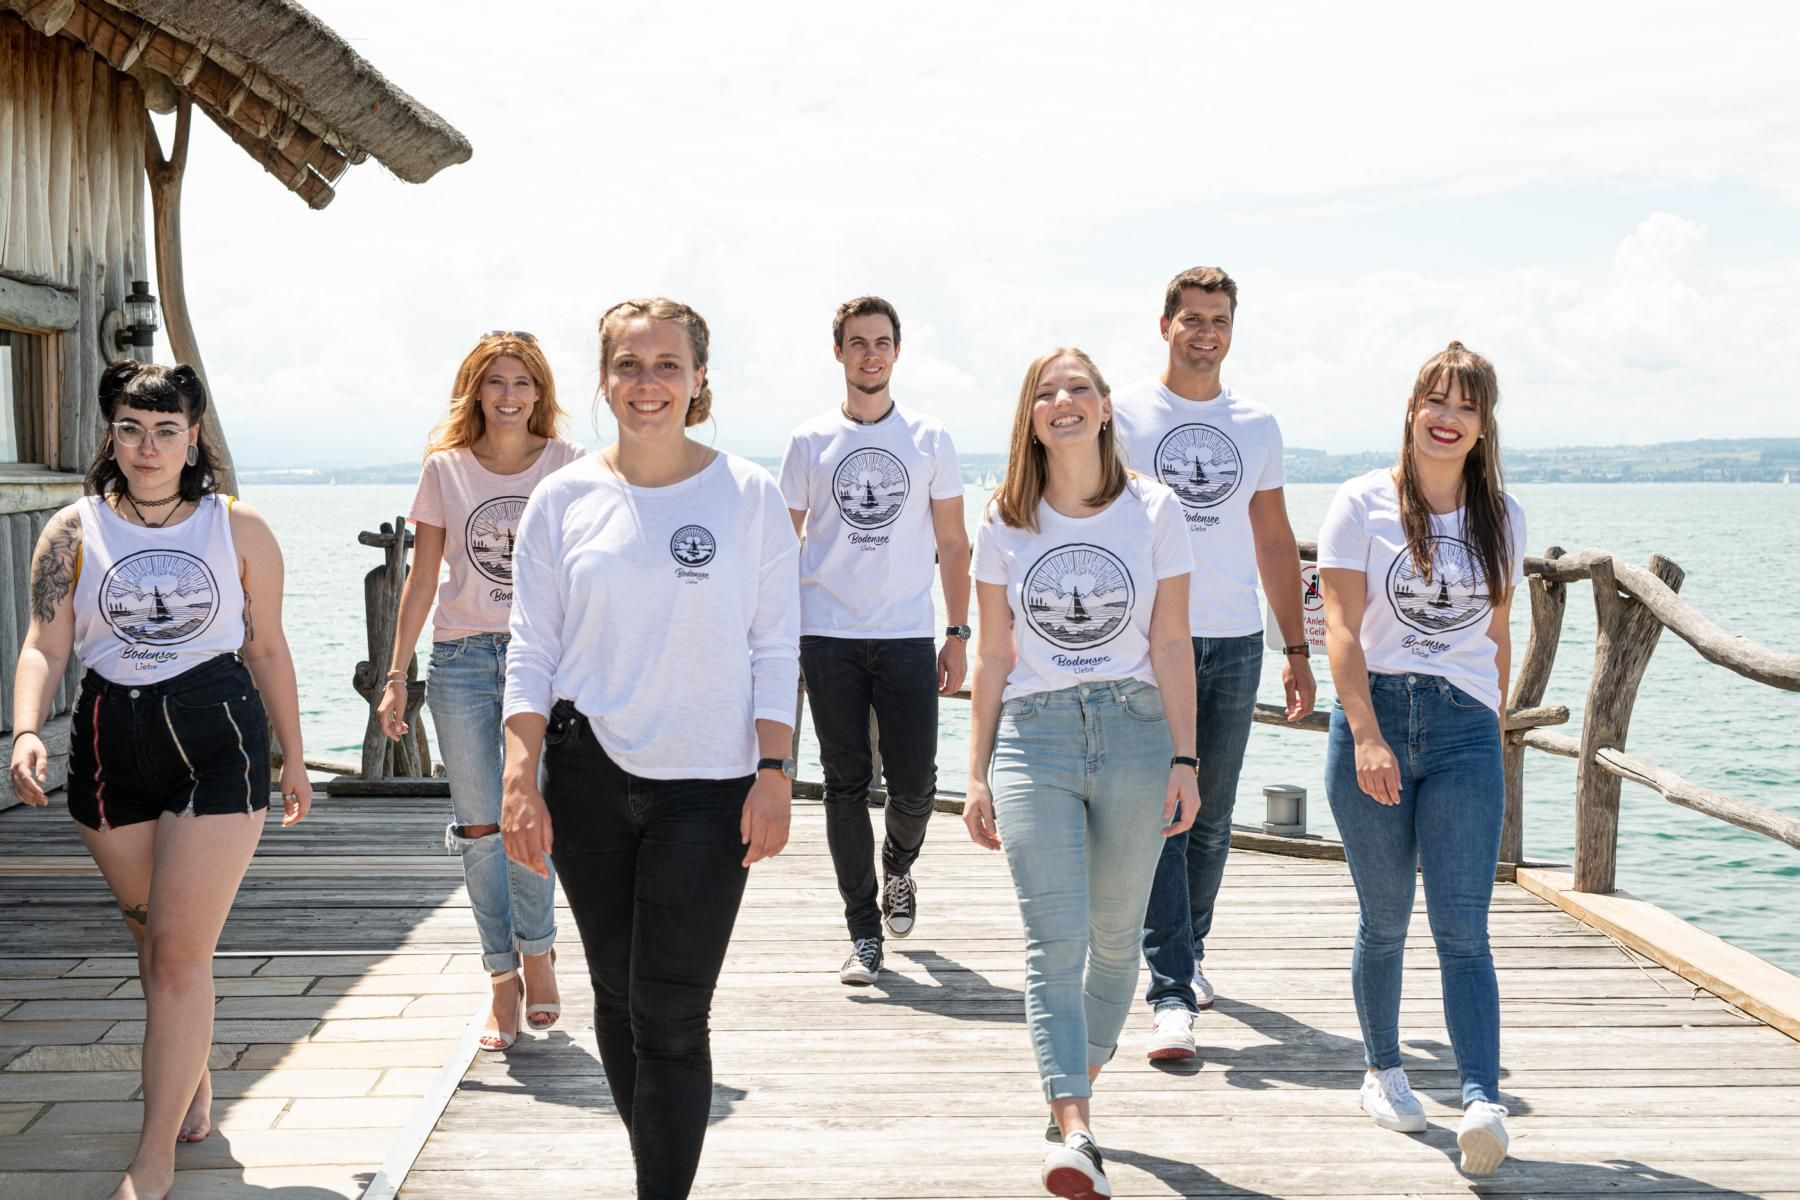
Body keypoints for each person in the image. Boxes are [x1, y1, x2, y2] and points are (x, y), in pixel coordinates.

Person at [499, 298, 799, 1200]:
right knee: (620, 1003)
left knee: (672, 1012)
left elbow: (777, 643)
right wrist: (522, 774)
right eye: (629, 365)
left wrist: (776, 771)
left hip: (710, 788)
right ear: (603, 379)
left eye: (668, 365)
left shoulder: (747, 496)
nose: (647, 384)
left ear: (700, 379)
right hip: (589, 774)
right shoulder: (562, 497)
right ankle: (657, 1175)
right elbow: (531, 645)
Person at [8, 361, 311, 1200]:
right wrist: (28, 728)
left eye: (166, 430)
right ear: (113, 435)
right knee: (152, 938)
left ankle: (152, 1154)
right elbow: (45, 644)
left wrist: (291, 753)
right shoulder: (71, 532)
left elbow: (268, 648)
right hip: (110, 741)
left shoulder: (237, 529)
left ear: (193, 438)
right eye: (133, 430)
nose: (148, 447)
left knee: (179, 953)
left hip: (217, 736)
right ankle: (190, 1075)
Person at [964, 347, 1199, 1199]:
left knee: (1113, 943)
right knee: (1052, 943)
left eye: (1080, 389)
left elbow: (1172, 641)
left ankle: (1080, 1081)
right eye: (1046, 392)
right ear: (1031, 416)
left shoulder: (1155, 508)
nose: (1063, 401)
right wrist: (978, 772)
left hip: (1138, 733)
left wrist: (1186, 757)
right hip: (1034, 737)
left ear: (1105, 408)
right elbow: (992, 654)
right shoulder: (1003, 519)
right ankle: (1075, 1127)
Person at [1316, 340, 1524, 1176]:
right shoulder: (1359, 502)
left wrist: (1491, 706)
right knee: (1387, 916)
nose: (1449, 418)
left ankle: (1482, 1099)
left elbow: (1498, 629)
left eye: (1466, 406)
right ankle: (1385, 1069)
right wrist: (1366, 733)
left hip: (1466, 730)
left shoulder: (1501, 514)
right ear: (1411, 409)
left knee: (1464, 926)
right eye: (1436, 401)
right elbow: (1338, 628)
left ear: (1483, 426)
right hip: (1377, 719)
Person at [1111, 265, 1317, 1060]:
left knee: (1216, 810)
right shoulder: (1124, 413)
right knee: (1167, 802)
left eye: (1219, 320)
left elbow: (1272, 536)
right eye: (1192, 318)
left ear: (1232, 329)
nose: (1205, 332)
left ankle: (1187, 951)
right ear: (1165, 323)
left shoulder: (1258, 424)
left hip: (1233, 636)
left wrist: (1295, 649)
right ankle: (1169, 977)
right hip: (1148, 635)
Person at [376, 331, 581, 1050]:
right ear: (475, 390)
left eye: (522, 382)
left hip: (545, 661)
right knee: (479, 826)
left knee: (532, 817)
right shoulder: (447, 470)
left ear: (540, 392)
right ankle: (503, 978)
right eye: (495, 382)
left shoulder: (568, 466)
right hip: (462, 658)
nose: (509, 395)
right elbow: (423, 579)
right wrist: (397, 675)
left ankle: (538, 952)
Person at [778, 295, 971, 986]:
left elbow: (953, 542)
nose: (870, 354)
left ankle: (898, 868)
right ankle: (863, 931)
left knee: (917, 783)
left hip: (904, 635)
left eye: (881, 342)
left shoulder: (929, 439)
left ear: (897, 350)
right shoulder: (808, 442)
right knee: (843, 782)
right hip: (826, 633)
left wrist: (957, 632)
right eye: (857, 342)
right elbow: (780, 544)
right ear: (839, 353)